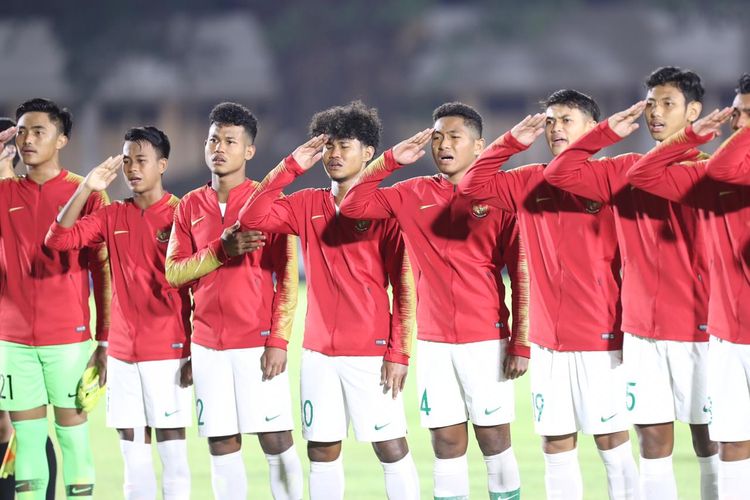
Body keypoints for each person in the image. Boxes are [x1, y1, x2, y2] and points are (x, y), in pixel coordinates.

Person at [544, 67, 719, 499]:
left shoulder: (712, 173)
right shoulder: (623, 168)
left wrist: (689, 142)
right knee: (653, 446)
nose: (655, 114)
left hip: (699, 331)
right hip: (641, 332)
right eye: (651, 104)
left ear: (693, 111)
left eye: (668, 104)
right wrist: (602, 134)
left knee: (709, 442)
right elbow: (559, 174)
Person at [340, 102, 530, 500]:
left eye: (454, 136)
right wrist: (391, 160)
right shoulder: (412, 193)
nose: (442, 144)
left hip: (485, 339)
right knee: (445, 446)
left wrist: (520, 340)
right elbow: (352, 205)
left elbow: (521, 271)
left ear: (479, 146)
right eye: (437, 136)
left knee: (495, 441)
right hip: (433, 342)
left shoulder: (498, 195)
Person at [458, 90, 639, 499]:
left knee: (612, 444)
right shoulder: (526, 181)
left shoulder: (612, 177)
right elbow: (470, 187)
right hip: (547, 343)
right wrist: (511, 142)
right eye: (551, 120)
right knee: (556, 446)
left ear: (593, 129)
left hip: (601, 338)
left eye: (567, 119)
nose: (555, 128)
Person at [237, 100, 420, 499]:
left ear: (368, 153)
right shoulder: (307, 204)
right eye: (329, 146)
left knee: (390, 447)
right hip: (318, 351)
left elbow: (404, 289)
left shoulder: (386, 211)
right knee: (321, 449)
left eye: (345, 146)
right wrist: (289, 167)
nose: (334, 155)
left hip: (370, 352)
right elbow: (250, 219)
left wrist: (398, 353)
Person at [45, 126, 192, 499]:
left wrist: (193, 351)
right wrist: (86, 189)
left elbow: (199, 287)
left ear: (163, 165)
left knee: (173, 459)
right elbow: (58, 240)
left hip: (169, 352)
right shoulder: (111, 216)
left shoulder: (181, 214)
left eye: (141, 160)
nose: (131, 169)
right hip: (124, 356)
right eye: (126, 161)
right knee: (133, 461)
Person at [165, 102, 302, 500]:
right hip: (207, 346)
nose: (218, 148)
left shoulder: (268, 202)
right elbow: (174, 273)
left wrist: (277, 340)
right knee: (221, 444)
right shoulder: (189, 205)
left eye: (229, 141)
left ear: (249, 151)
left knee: (276, 440)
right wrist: (221, 251)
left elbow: (287, 280)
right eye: (213, 139)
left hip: (256, 345)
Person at [624, 84, 748, 497]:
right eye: (737, 114)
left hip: (712, 334)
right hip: (728, 336)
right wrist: (691, 138)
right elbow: (642, 175)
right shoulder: (710, 176)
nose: (740, 123)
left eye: (747, 115)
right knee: (731, 442)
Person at [0, 98, 111, 499]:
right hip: (13, 344)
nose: (28, 140)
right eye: (22, 131)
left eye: (39, 131)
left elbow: (104, 271)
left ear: (62, 139)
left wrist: (105, 340)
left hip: (68, 341)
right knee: (27, 445)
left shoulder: (88, 193)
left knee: (74, 442)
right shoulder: (4, 191)